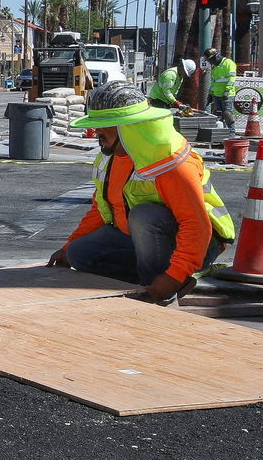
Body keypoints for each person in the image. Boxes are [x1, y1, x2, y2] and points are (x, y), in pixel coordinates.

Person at [47, 81, 235, 304]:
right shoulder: (111, 157)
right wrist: (68, 247)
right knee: (80, 253)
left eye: (103, 126)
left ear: (127, 128)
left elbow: (197, 225)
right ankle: (148, 284)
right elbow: (102, 208)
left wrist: (173, 277)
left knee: (144, 215)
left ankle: (164, 288)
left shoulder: (171, 163)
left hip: (201, 245)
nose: (96, 131)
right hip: (144, 240)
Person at [204, 47, 238, 131]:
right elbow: (214, 82)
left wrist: (227, 90)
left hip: (227, 95)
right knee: (218, 116)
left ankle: (231, 135)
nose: (210, 62)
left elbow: (232, 78)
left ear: (216, 56)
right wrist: (211, 94)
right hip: (217, 95)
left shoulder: (229, 63)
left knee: (228, 115)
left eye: (211, 60)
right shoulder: (215, 67)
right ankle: (220, 134)